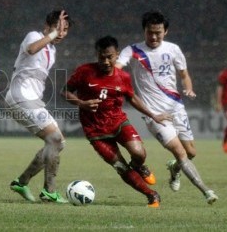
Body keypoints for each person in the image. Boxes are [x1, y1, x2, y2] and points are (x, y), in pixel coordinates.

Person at [116, 10, 218, 204]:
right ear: (144, 31)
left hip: (176, 108)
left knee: (190, 153)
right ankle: (206, 191)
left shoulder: (173, 50)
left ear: (166, 31)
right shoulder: (133, 51)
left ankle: (174, 170)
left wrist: (188, 88)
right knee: (180, 153)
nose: (154, 37)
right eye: (150, 32)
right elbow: (117, 67)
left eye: (158, 32)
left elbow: (184, 74)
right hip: (155, 115)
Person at [62, 35, 171, 208]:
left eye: (109, 57)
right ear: (97, 54)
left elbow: (132, 98)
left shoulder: (123, 77)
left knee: (139, 153)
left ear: (117, 55)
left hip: (118, 122)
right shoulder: (84, 71)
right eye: (101, 57)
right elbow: (65, 92)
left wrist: (153, 115)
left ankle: (139, 166)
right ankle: (151, 195)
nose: (105, 61)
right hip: (95, 131)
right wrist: (81, 103)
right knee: (120, 166)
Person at [6, 10, 70, 203]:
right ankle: (49, 191)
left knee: (58, 143)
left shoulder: (53, 50)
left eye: (65, 30)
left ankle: (22, 182)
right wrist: (51, 34)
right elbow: (32, 49)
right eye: (58, 28)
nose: (61, 33)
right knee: (55, 139)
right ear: (47, 27)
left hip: (32, 100)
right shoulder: (34, 36)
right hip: (20, 96)